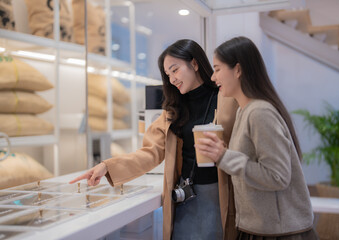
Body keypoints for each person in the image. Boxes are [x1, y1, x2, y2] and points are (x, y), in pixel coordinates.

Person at [69, 39, 239, 240]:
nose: (172, 79)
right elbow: (150, 152)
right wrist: (107, 167)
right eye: (168, 75)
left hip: (221, 195)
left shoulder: (227, 100)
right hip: (185, 198)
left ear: (194, 64)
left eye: (175, 70)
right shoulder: (172, 112)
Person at [195, 36, 318, 240]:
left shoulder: (260, 112)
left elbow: (277, 176)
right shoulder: (245, 111)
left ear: (238, 69)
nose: (213, 77)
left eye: (217, 69)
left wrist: (224, 157)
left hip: (280, 233)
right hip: (260, 228)